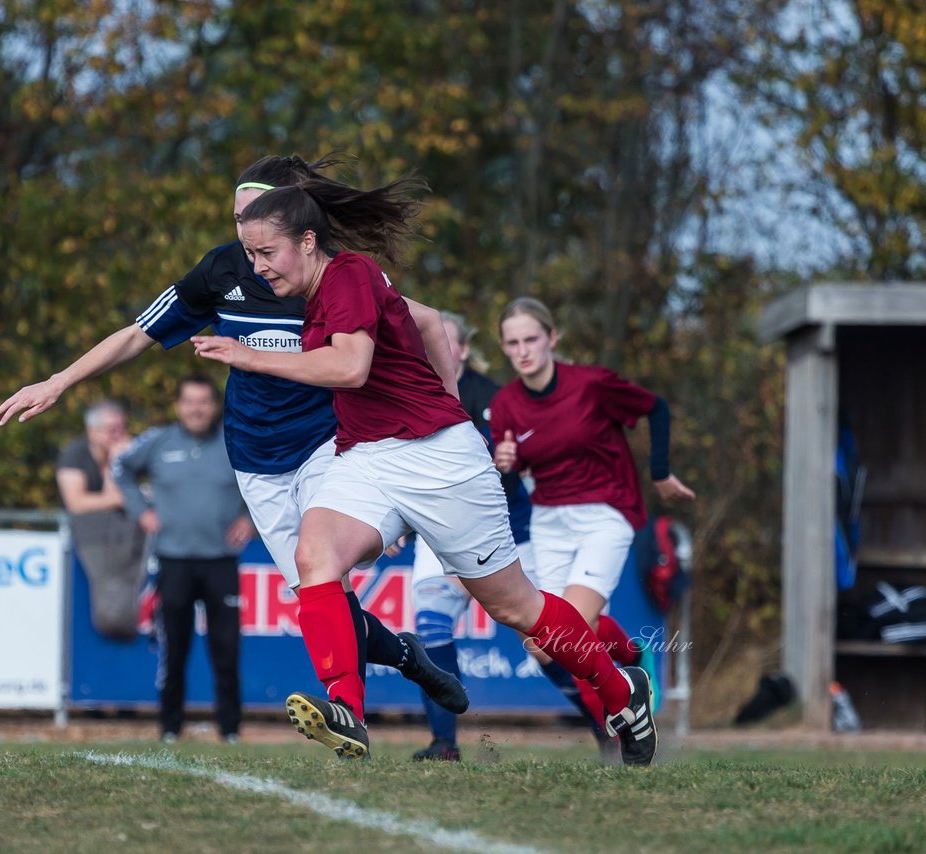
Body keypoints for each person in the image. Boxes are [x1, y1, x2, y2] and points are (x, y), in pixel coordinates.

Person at [192, 181, 658, 765]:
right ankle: (346, 712)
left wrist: (249, 355)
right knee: (316, 557)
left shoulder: (351, 273)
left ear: (308, 242)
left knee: (517, 609)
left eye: (266, 253)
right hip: (366, 456)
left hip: (439, 460)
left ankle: (623, 693)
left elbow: (352, 366)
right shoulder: (319, 288)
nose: (257, 268)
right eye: (250, 256)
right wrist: (446, 395)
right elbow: (433, 323)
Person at [0, 155, 467, 715]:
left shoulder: (335, 275)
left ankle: (347, 713)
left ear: (293, 223)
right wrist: (60, 380)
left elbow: (428, 323)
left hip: (328, 444)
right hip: (255, 457)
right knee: (321, 599)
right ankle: (407, 658)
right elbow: (138, 334)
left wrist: (446, 423)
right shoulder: (220, 272)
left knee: (325, 580)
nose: (245, 232)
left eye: (256, 216)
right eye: (238, 218)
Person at [489, 296, 696, 755]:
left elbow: (655, 408)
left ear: (552, 339)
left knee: (569, 630)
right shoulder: (505, 405)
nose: (523, 351)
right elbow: (514, 469)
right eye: (512, 343)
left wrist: (660, 474)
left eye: (531, 339)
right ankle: (628, 660)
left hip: (606, 513)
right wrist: (506, 462)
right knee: (543, 645)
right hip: (547, 520)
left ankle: (613, 727)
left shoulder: (591, 384)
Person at [402, 310, 537, 762]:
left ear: (460, 349)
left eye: (440, 340)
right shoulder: (406, 394)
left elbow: (517, 476)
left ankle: (607, 723)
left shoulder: (494, 400)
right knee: (430, 626)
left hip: (501, 529)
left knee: (541, 643)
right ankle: (444, 743)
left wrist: (509, 464)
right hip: (435, 530)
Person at [113, 375, 253, 744]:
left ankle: (231, 730)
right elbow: (121, 470)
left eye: (204, 402)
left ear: (214, 406)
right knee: (173, 651)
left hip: (221, 562)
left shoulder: (233, 441)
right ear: (179, 406)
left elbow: (268, 480)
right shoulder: (158, 442)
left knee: (226, 650)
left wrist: (250, 519)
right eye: (190, 402)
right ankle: (170, 729)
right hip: (173, 562)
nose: (197, 409)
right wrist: (140, 510)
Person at [55, 400, 147, 640]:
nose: (118, 435)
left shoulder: (132, 451)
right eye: (111, 429)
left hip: (126, 536)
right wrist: (115, 465)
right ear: (92, 431)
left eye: (121, 428)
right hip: (90, 538)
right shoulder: (74, 454)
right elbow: (78, 503)